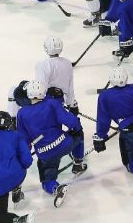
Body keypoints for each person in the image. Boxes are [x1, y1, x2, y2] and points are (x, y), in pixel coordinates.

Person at [16, 80, 86, 208]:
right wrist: (76, 127)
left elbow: (24, 140)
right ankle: (78, 163)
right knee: (79, 135)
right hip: (64, 144)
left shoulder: (21, 113)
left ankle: (56, 188)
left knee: (47, 181)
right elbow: (71, 121)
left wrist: (25, 152)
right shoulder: (52, 103)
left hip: (45, 154)